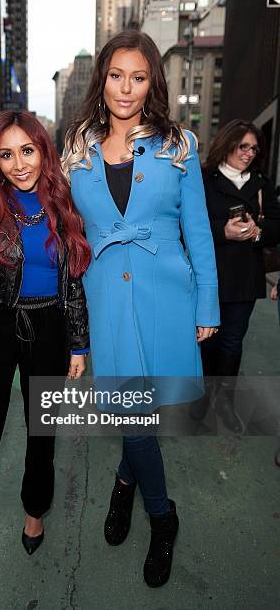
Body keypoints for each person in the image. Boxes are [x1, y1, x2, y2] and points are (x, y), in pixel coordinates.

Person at [63, 30, 219, 587]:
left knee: (145, 414)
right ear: (101, 79)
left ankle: (125, 485)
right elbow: (68, 231)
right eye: (115, 75)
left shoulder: (178, 144)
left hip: (167, 297)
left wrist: (207, 304)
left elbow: (198, 231)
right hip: (107, 298)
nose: (125, 88)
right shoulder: (77, 148)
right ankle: (163, 514)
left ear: (152, 82)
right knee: (132, 417)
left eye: (138, 76)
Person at [0, 110, 91, 564]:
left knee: (41, 431)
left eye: (26, 150)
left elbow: (73, 282)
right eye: (6, 155)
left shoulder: (62, 206)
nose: (18, 164)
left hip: (48, 327)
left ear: (43, 151)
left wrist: (78, 342)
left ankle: (34, 512)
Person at [201, 120, 280, 433]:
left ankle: (224, 401)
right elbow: (187, 224)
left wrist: (257, 232)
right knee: (206, 342)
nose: (248, 153)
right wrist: (223, 230)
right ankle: (202, 398)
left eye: (254, 148)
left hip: (245, 278)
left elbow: (276, 226)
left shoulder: (262, 183)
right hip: (210, 276)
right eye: (242, 146)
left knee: (232, 343)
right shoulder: (204, 179)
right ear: (227, 144)